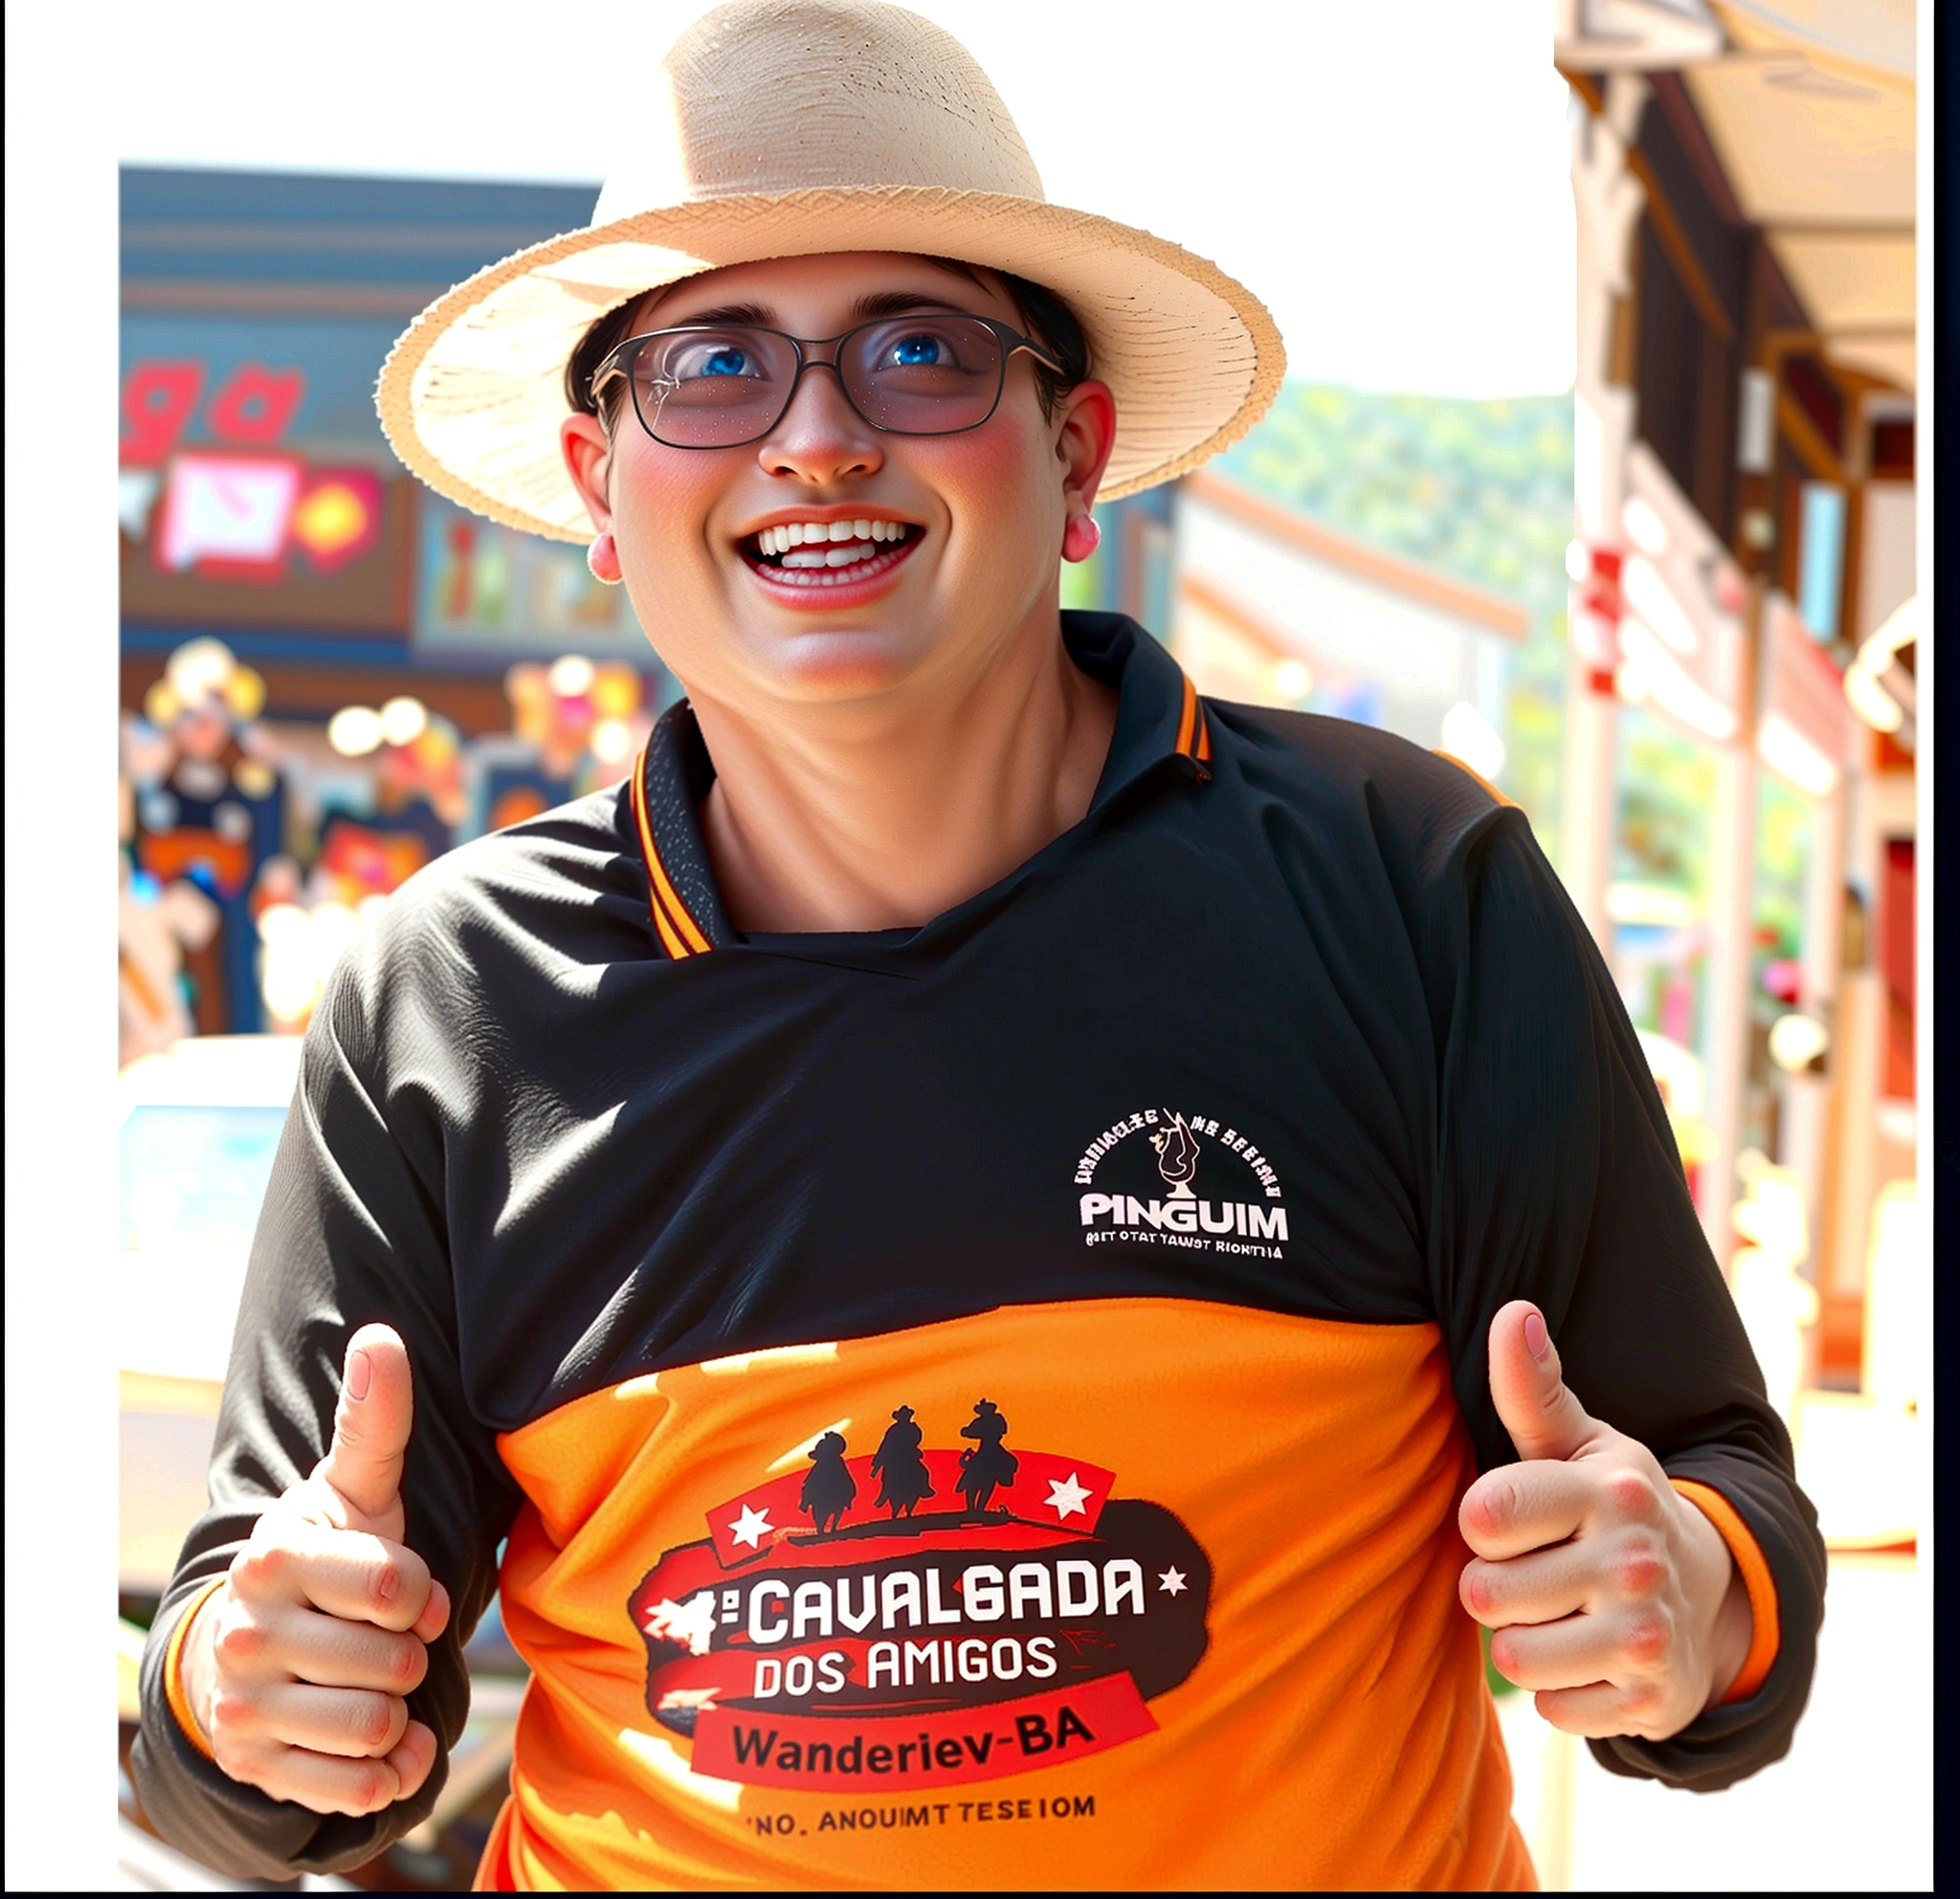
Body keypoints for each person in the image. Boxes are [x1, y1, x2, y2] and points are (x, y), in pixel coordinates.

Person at [133, 2, 1824, 1888]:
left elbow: (1719, 1512)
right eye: (710, 367)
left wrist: (1686, 1583)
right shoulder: (443, 1001)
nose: (817, 439)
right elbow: (247, 1735)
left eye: (919, 352)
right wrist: (246, 1678)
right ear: (600, 485)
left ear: (1076, 448)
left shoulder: (1405, 882)